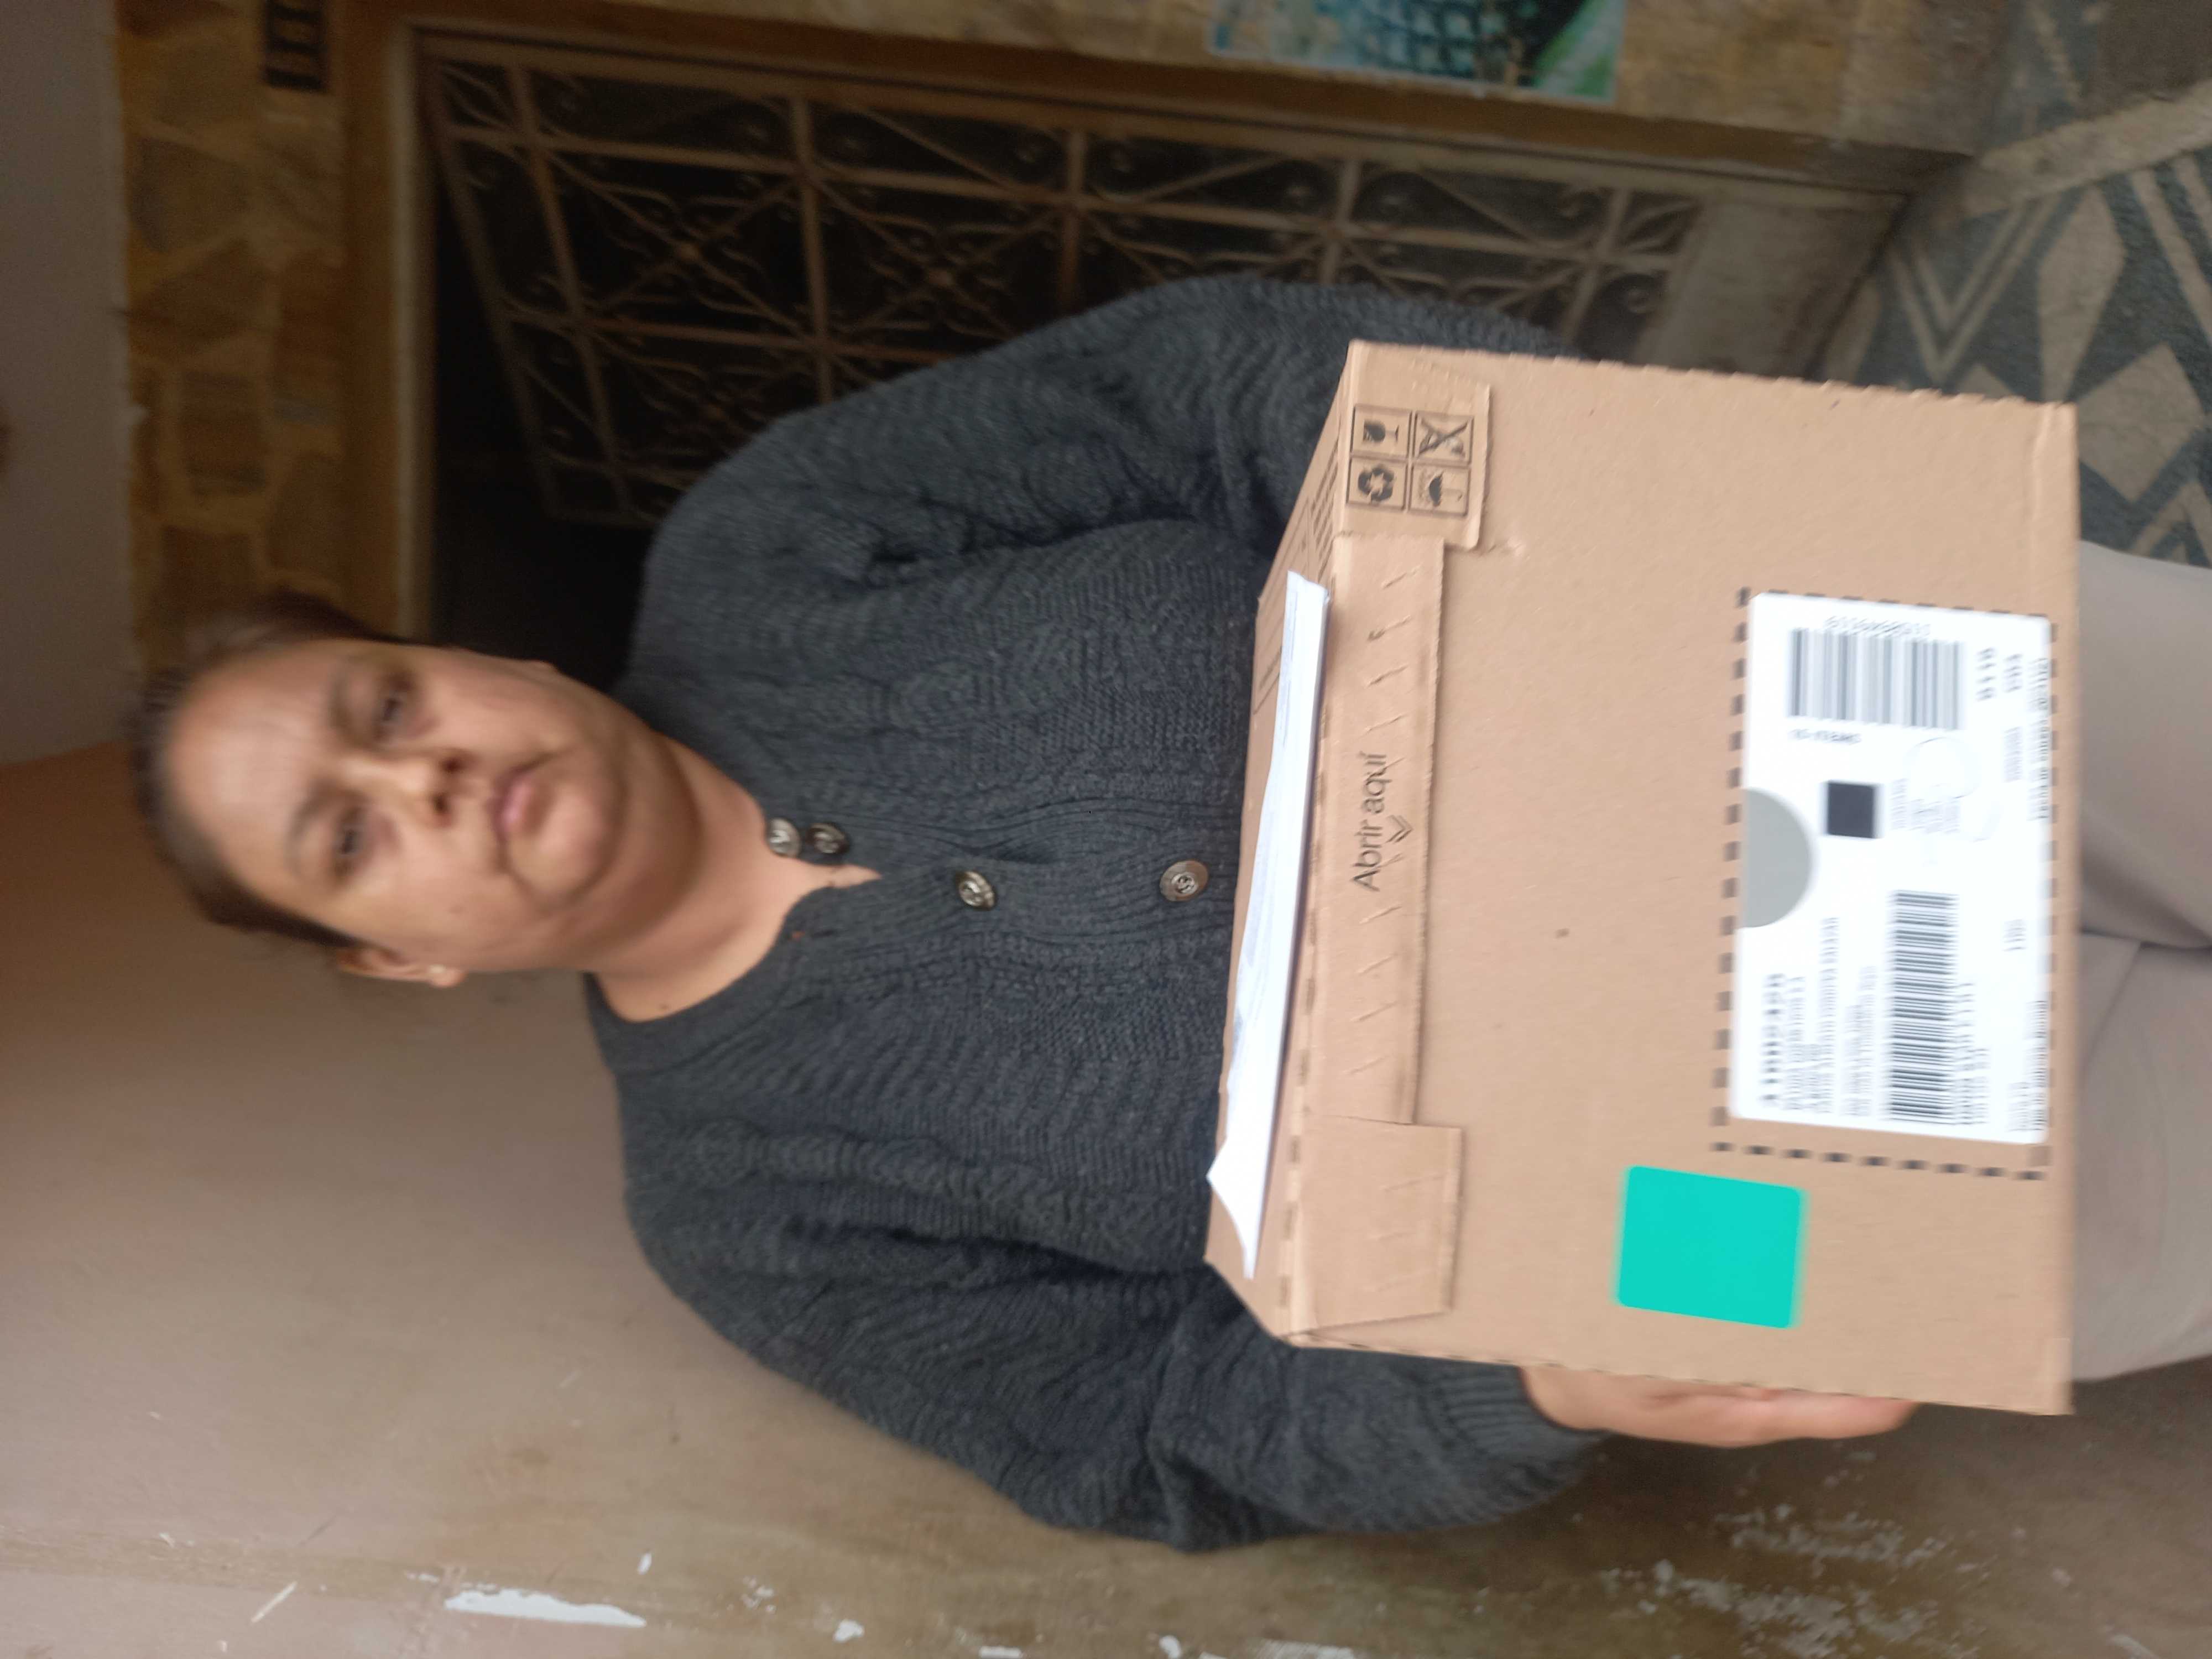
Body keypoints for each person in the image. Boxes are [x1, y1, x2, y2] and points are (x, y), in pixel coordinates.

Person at [129, 278, 2208, 1550]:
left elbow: (1199, 382)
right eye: (347, 838)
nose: (422, 778)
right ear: (398, 959)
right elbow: (1156, 1440)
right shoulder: (740, 1214)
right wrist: (1535, 1388)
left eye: (384, 707)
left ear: (462, 653)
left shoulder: (769, 542)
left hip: (1772, 673)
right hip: (1720, 1176)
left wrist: (1554, 494)